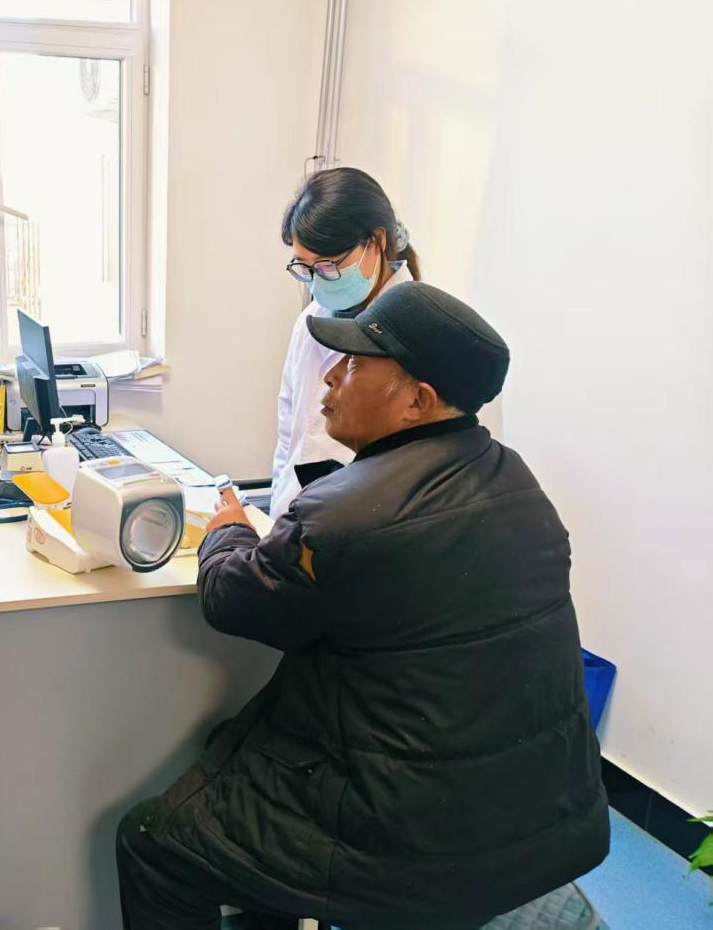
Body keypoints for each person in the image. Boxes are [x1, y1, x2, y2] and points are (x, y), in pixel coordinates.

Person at [116, 282, 609, 930]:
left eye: (352, 365)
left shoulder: (348, 514)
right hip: (541, 815)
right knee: (230, 747)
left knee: (151, 843)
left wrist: (227, 527)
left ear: (417, 401)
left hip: (408, 842)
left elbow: (230, 601)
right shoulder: (515, 480)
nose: (330, 378)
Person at [271, 167, 422, 518]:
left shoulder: (420, 331)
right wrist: (278, 515)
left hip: (365, 526)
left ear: (376, 242)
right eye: (305, 267)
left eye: (328, 266)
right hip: (297, 521)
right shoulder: (310, 320)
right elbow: (289, 435)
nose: (316, 281)